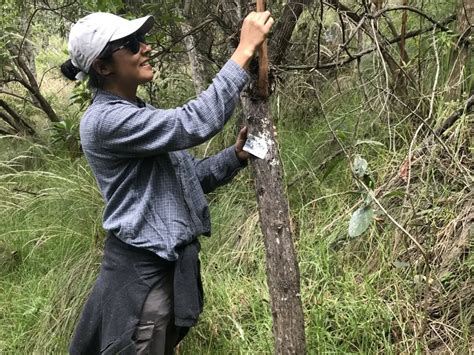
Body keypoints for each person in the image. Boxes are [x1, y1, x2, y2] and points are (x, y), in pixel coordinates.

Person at [61, 10, 273, 355]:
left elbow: (191, 179)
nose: (145, 48)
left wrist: (235, 156)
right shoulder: (105, 121)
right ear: (103, 66)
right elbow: (194, 122)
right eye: (130, 45)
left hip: (165, 273)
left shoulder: (137, 114)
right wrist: (244, 50)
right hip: (142, 279)